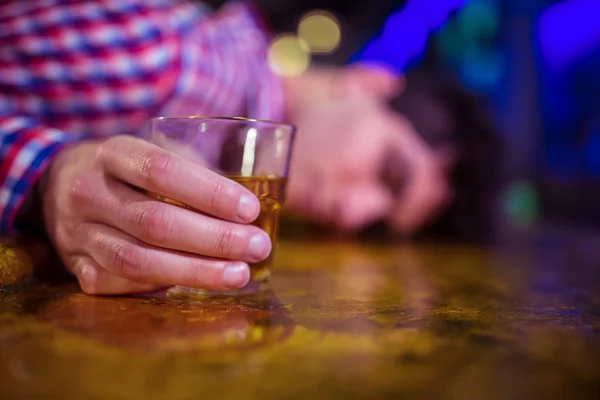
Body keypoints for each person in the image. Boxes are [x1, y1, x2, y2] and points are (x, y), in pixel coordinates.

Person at [0, 0, 475, 295]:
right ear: (370, 83)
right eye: (389, 172)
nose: (352, 214)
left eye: (375, 227)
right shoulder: (170, 63)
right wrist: (46, 175)